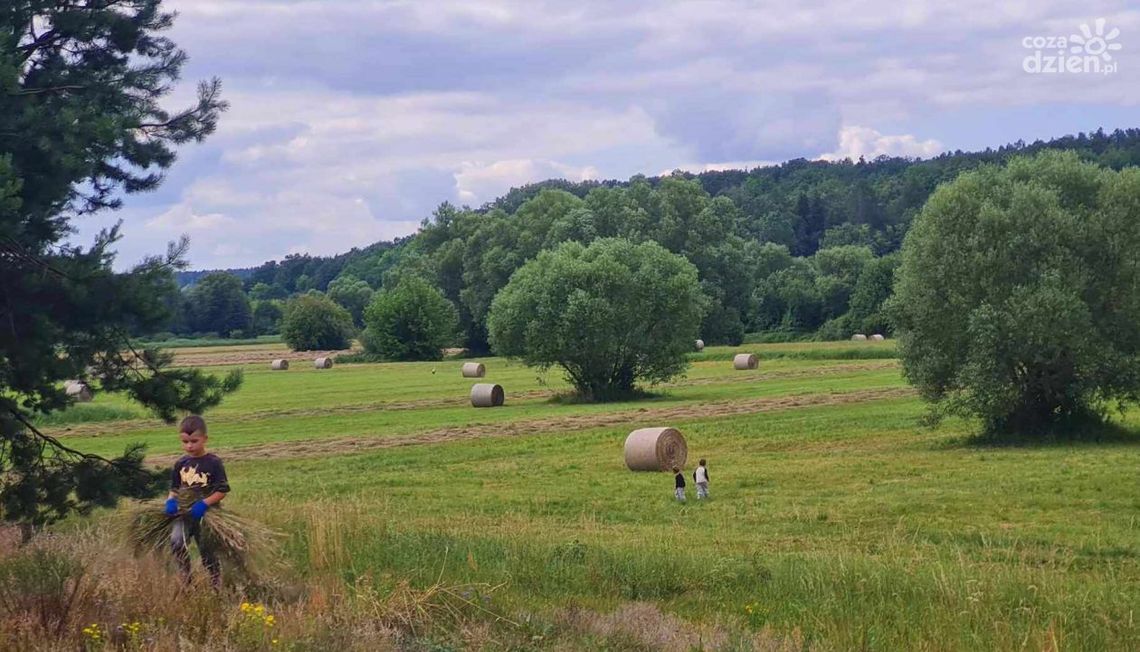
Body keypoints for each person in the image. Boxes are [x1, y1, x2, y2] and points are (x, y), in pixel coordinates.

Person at [166, 415, 230, 587]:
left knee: (207, 551)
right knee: (177, 542)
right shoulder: (181, 463)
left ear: (205, 439)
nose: (189, 446)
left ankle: (215, 584)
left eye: (194, 441)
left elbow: (222, 490)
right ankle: (186, 579)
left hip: (207, 515)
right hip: (183, 513)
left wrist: (204, 504)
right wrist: (170, 501)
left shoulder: (213, 462)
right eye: (185, 441)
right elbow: (175, 488)